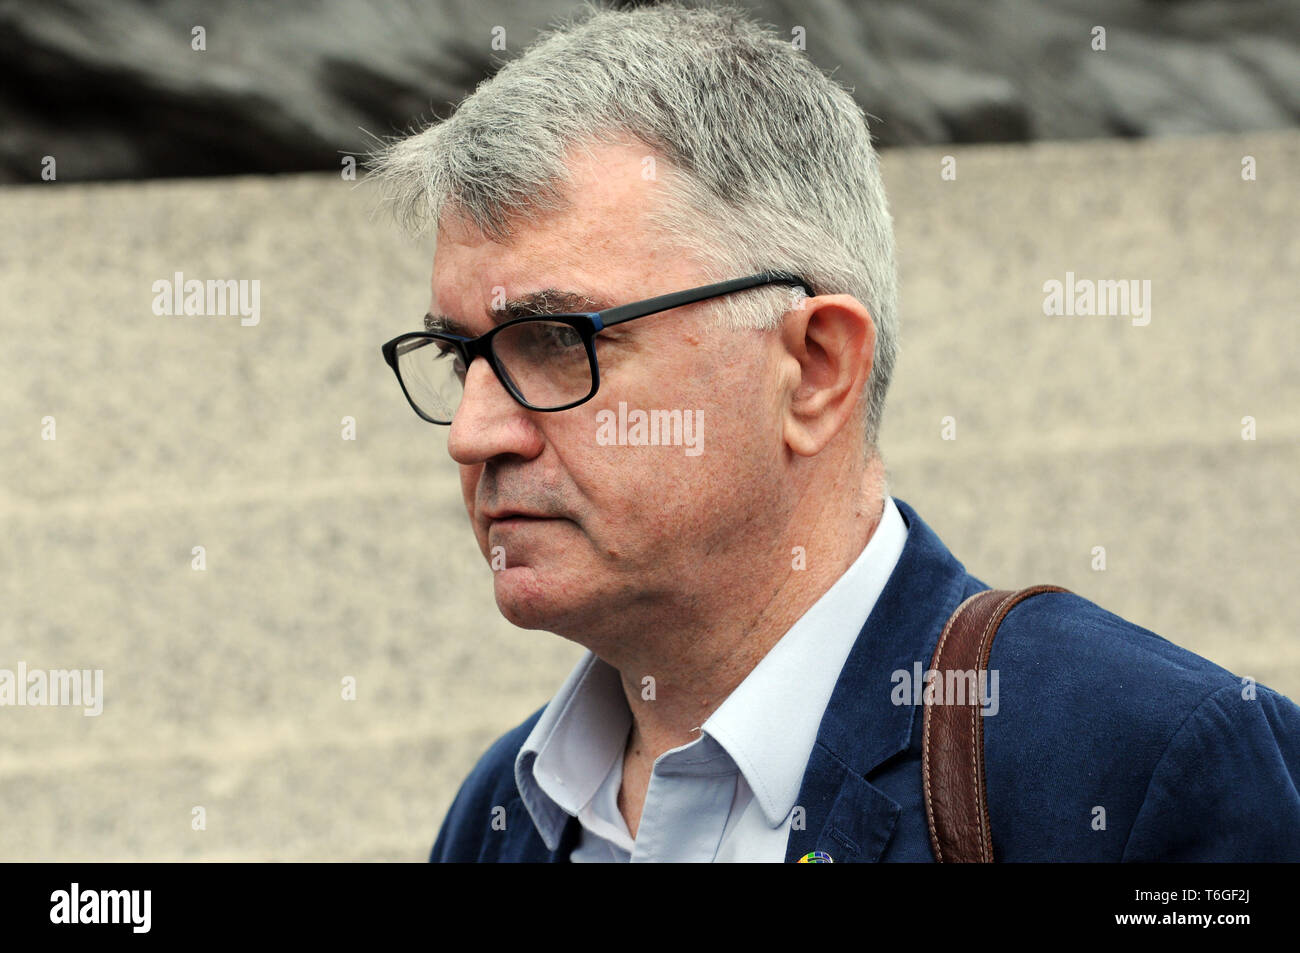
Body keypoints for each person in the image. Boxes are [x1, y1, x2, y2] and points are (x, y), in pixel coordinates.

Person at [368, 2, 1300, 862]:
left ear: (814, 368)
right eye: (460, 357)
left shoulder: (1142, 766)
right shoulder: (507, 812)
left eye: (555, 342)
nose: (473, 431)